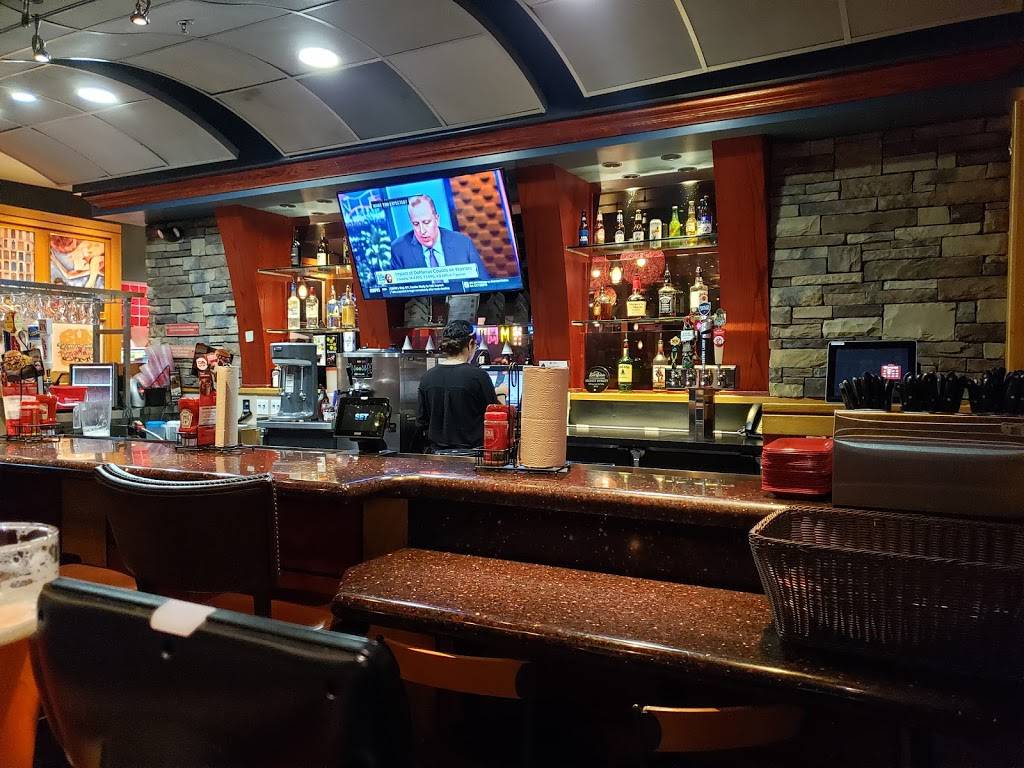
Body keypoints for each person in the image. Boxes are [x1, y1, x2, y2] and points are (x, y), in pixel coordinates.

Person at [417, 320, 502, 451]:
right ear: (470, 344)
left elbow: (421, 421)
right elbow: (494, 415)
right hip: (472, 455)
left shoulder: (427, 377)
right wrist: (501, 394)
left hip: (436, 455)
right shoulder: (478, 376)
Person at [389, 194, 487, 274]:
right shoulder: (399, 250)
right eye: (416, 224)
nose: (422, 231)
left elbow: (482, 284)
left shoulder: (463, 243)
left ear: (437, 219)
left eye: (426, 222)